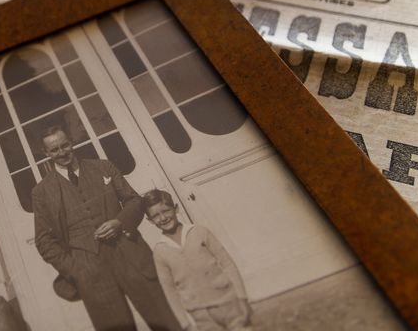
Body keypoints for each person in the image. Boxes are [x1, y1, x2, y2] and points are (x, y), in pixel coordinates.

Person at [31, 126, 183, 331]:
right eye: (55, 150)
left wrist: (119, 222)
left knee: (166, 321)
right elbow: (44, 241)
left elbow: (134, 201)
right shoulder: (41, 192)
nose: (62, 153)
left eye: (65, 145)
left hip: (131, 256)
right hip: (89, 271)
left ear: (72, 142)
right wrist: (76, 270)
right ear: (46, 153)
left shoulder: (102, 167)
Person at [143, 189, 252, 331]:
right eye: (156, 216)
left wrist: (242, 297)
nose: (163, 218)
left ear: (176, 208)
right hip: (199, 313)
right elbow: (169, 289)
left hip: (228, 301)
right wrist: (184, 322)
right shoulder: (160, 251)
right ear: (150, 221)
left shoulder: (200, 232)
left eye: (166, 211)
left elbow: (228, 264)